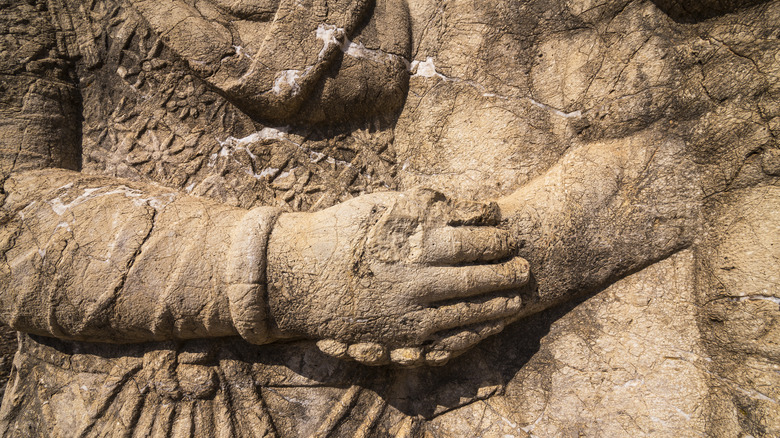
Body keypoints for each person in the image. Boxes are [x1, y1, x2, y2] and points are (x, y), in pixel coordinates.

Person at [0, 0, 700, 435]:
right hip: (127, 406)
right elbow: (15, 218)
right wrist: (289, 269)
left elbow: (677, 153)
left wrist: (467, 268)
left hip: (420, 401)